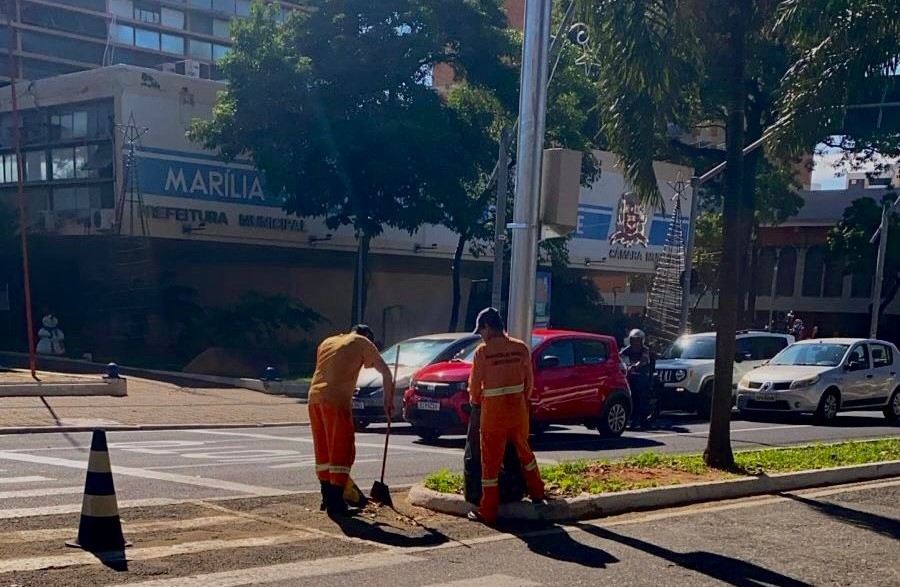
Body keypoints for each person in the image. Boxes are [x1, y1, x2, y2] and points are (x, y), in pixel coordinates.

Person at [467, 308, 546, 526]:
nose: (481, 335)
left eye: (481, 330)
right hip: (518, 412)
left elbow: (474, 388)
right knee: (525, 452)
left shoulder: (482, 352)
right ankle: (538, 492)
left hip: (493, 414)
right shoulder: (521, 349)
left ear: (489, 327)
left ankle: (488, 511)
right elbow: (529, 383)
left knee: (490, 463)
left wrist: (475, 403)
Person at [308, 324, 395, 517]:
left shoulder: (328, 342)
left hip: (314, 398)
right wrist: (387, 402)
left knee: (323, 451)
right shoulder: (363, 342)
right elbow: (386, 372)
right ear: (369, 337)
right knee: (342, 450)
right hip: (336, 401)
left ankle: (327, 499)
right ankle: (337, 504)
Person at [620, 329, 654, 429]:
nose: (636, 343)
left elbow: (644, 359)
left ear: (642, 340)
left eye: (638, 340)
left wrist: (636, 365)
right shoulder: (629, 348)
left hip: (643, 374)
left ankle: (638, 419)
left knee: (639, 395)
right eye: (634, 340)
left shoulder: (645, 350)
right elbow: (620, 355)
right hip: (631, 374)